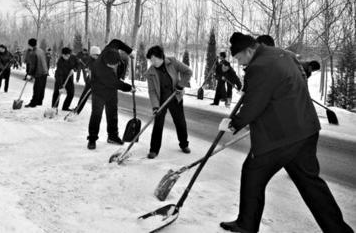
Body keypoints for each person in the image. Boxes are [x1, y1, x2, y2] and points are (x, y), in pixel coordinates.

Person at [218, 32, 353, 233]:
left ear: (249, 50)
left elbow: (255, 104)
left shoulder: (260, 66)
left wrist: (233, 124)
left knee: (252, 174)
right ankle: (339, 230)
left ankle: (246, 225)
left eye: (239, 58)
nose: (240, 63)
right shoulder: (283, 54)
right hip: (306, 130)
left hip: (280, 137)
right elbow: (286, 80)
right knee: (311, 185)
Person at [145, 45, 192, 159]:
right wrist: (155, 107)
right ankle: (154, 150)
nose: (152, 62)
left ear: (161, 57)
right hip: (161, 101)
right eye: (151, 60)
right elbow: (152, 91)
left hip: (174, 97)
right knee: (158, 124)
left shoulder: (173, 62)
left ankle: (184, 144)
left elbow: (188, 72)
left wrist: (180, 85)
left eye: (154, 59)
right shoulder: (150, 72)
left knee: (180, 122)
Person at [87, 39, 134, 150]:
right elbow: (115, 83)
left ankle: (112, 136)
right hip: (99, 91)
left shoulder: (111, 48)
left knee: (113, 112)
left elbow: (116, 41)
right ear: (106, 63)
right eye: (111, 65)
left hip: (111, 90)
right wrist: (129, 88)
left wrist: (130, 51)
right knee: (96, 114)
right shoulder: (100, 68)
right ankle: (92, 139)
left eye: (115, 64)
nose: (114, 67)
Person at [73, 46, 101, 114]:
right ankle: (78, 109)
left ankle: (96, 113)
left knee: (97, 99)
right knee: (84, 96)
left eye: (98, 55)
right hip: (91, 81)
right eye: (95, 55)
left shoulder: (99, 60)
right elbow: (89, 69)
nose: (97, 56)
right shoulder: (91, 60)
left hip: (97, 82)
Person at [25, 38, 49, 108]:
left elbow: (32, 65)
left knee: (36, 88)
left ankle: (33, 103)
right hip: (45, 71)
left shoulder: (33, 53)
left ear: (29, 45)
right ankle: (39, 101)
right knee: (42, 88)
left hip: (39, 72)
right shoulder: (41, 50)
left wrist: (29, 74)